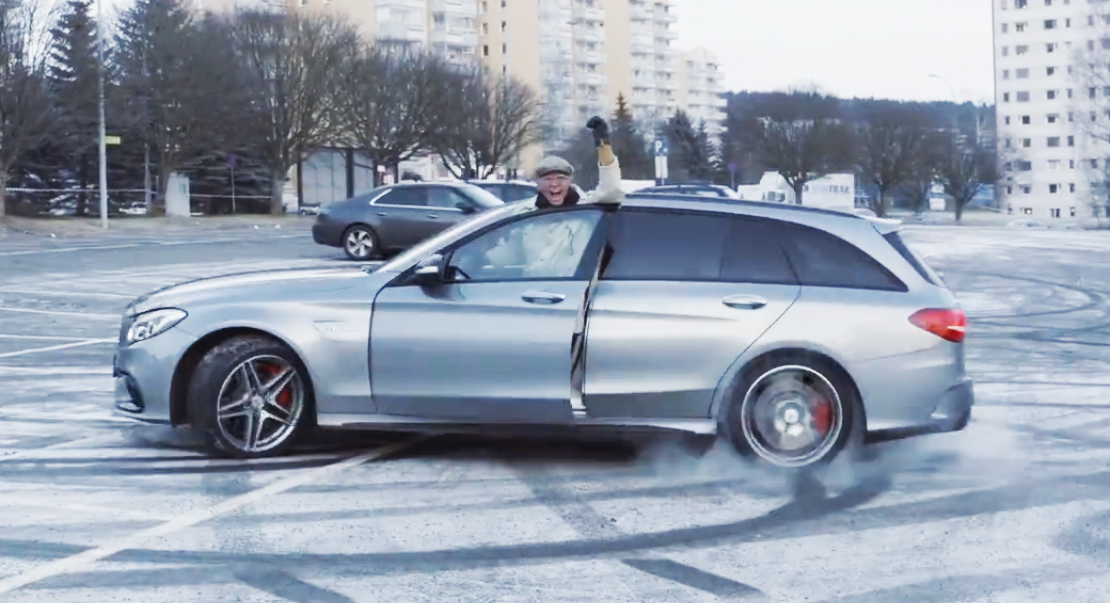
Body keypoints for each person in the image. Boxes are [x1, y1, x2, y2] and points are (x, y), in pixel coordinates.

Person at [533, 116, 623, 208]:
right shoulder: (527, 211)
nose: (554, 184)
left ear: (570, 181)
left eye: (560, 178)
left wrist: (603, 143)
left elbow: (610, 193)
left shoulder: (584, 206)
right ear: (538, 183)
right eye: (547, 179)